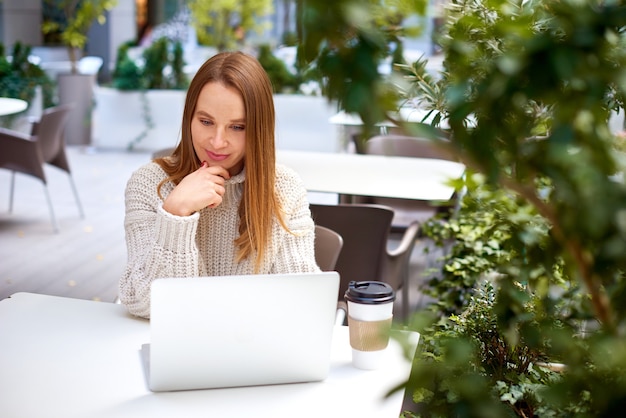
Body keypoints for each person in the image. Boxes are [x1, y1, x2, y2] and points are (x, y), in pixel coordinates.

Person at [119, 51, 320, 318]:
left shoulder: (284, 188)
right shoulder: (148, 184)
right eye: (205, 122)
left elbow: (302, 302)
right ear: (189, 118)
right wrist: (176, 213)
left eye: (237, 127)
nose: (217, 142)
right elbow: (144, 302)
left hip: (250, 349)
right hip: (175, 347)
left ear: (259, 129)